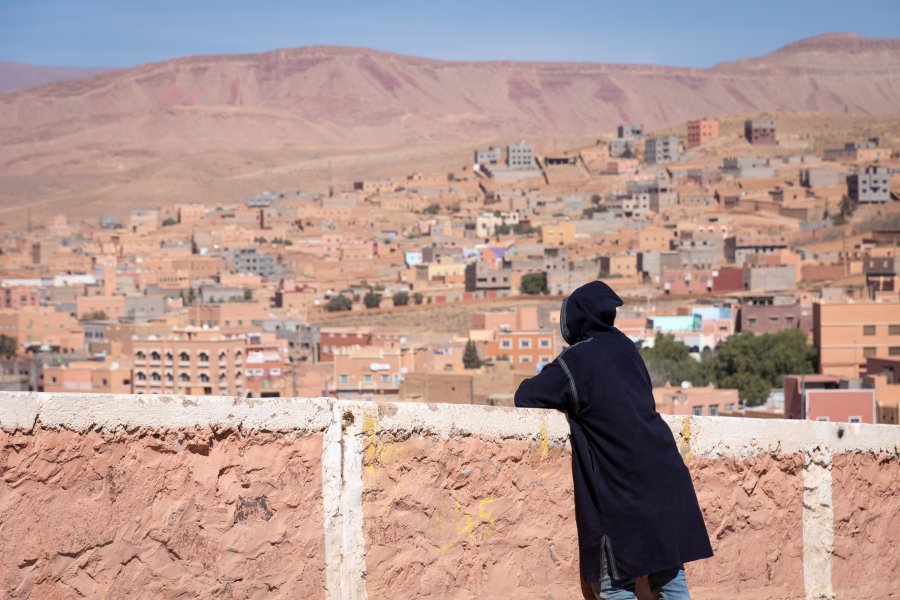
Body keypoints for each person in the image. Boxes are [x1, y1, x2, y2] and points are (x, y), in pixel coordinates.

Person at [514, 281, 713, 600]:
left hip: (623, 491)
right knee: (671, 581)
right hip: (667, 476)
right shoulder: (627, 349)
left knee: (615, 585)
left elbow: (526, 396)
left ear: (576, 318)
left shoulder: (576, 361)